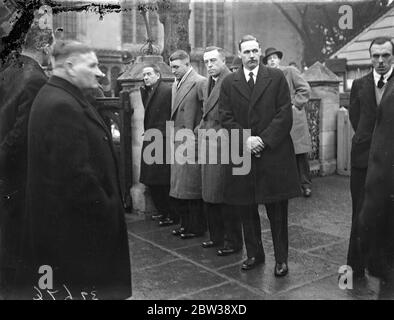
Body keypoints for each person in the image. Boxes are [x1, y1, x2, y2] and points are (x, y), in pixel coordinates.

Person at [23, 40, 131, 299]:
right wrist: (107, 208)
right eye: (92, 65)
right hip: (78, 235)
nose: (100, 72)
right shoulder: (62, 105)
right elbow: (76, 176)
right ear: (70, 67)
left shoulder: (61, 96)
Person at [219, 35, 300, 276]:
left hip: (273, 152)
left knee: (277, 209)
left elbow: (284, 114)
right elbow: (225, 116)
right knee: (246, 207)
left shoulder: (275, 77)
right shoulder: (229, 82)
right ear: (240, 54)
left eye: (255, 51)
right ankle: (255, 254)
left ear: (260, 52)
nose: (252, 56)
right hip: (244, 153)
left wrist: (262, 140)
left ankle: (281, 259)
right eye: (247, 52)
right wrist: (246, 139)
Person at [0, 21, 54, 298]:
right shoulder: (36, 79)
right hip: (20, 175)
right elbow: (22, 135)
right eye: (50, 48)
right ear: (44, 47)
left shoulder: (8, 70)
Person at [197, 46, 243, 254]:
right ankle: (216, 238)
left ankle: (232, 242)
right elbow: (206, 112)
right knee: (211, 194)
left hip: (224, 146)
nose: (209, 65)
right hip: (209, 144)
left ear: (223, 61)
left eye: (213, 61)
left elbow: (236, 115)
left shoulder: (231, 80)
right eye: (206, 62)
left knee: (226, 197)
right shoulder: (209, 82)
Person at [356, 37, 394, 282]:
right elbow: (356, 118)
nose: (380, 61)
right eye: (375, 56)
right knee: (365, 217)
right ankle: (370, 265)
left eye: (386, 56)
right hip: (366, 162)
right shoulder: (361, 84)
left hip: (390, 164)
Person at [263, 47, 312, 197]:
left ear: (279, 60)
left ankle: (305, 185)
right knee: (283, 154)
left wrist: (294, 104)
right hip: (277, 120)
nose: (272, 60)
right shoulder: (266, 77)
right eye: (269, 58)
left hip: (294, 119)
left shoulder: (290, 71)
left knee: (299, 153)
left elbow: (305, 89)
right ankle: (289, 186)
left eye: (275, 57)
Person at [169, 50, 207, 239]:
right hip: (178, 140)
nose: (173, 71)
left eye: (176, 67)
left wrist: (196, 133)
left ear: (187, 64)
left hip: (191, 141)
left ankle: (197, 227)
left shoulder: (199, 81)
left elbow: (207, 111)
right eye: (172, 67)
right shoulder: (176, 83)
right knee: (180, 188)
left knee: (192, 187)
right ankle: (186, 225)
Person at [139, 63, 175, 226]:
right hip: (152, 139)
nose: (145, 77)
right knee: (152, 179)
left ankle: (170, 214)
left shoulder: (166, 90)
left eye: (149, 74)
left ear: (158, 75)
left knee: (163, 180)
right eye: (144, 75)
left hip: (162, 140)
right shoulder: (147, 91)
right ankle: (162, 212)